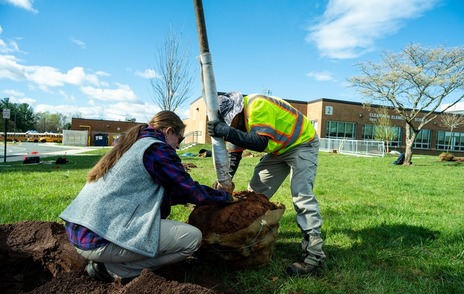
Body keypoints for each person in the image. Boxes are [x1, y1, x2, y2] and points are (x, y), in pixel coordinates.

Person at [60, 110, 238, 282]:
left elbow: (154, 193)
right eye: (180, 139)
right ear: (169, 131)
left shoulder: (133, 144)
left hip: (80, 231)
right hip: (98, 241)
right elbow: (191, 191)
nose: (178, 146)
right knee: (191, 239)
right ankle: (113, 269)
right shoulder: (157, 149)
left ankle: (110, 259)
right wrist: (226, 197)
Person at [208, 92, 325, 276]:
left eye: (230, 122)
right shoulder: (237, 122)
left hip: (302, 143)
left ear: (237, 111)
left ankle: (314, 255)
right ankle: (251, 239)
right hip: (279, 149)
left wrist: (227, 132)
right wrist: (225, 181)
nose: (230, 126)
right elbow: (234, 155)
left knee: (301, 196)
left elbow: (260, 142)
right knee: (254, 193)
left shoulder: (257, 105)